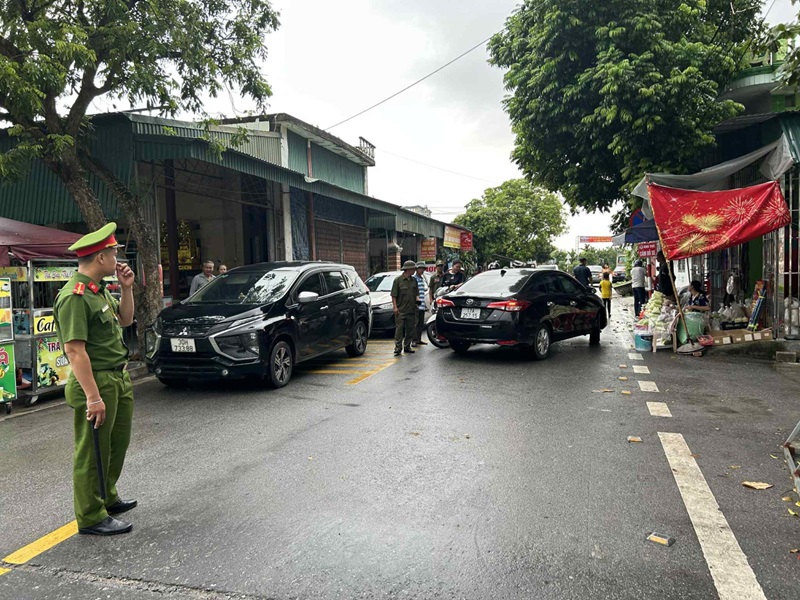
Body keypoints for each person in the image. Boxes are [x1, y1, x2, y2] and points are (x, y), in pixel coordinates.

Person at [53, 223, 137, 536]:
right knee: (92, 452)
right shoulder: (75, 296)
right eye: (114, 253)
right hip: (96, 382)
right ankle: (90, 515)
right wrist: (93, 397)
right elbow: (75, 351)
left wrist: (126, 288)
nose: (118, 259)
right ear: (101, 258)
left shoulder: (97, 290)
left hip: (117, 377)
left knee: (115, 445)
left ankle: (107, 497)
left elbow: (125, 319)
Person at [391, 261, 420, 356]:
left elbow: (416, 293)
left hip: (411, 309)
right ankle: (398, 348)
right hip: (401, 310)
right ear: (408, 269)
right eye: (413, 269)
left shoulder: (414, 280)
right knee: (399, 330)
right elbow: (394, 295)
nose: (414, 271)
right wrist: (395, 307)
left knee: (410, 329)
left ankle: (407, 346)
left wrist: (417, 300)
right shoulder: (398, 280)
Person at [412, 262, 429, 346]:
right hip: (416, 305)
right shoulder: (413, 279)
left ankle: (418, 339)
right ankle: (414, 340)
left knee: (421, 324)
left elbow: (422, 293)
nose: (422, 270)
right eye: (420, 268)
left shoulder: (422, 279)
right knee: (415, 323)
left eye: (423, 269)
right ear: (416, 269)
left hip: (421, 305)